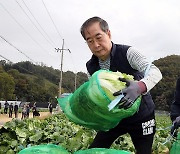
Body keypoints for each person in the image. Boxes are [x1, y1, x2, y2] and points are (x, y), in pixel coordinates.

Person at [80, 16, 162, 154]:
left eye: (98, 37)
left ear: (108, 34)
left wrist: (139, 87)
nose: (96, 45)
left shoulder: (128, 53)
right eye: (90, 41)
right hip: (114, 118)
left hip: (142, 115)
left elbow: (155, 72)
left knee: (144, 151)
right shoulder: (91, 66)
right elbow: (95, 93)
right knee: (94, 150)